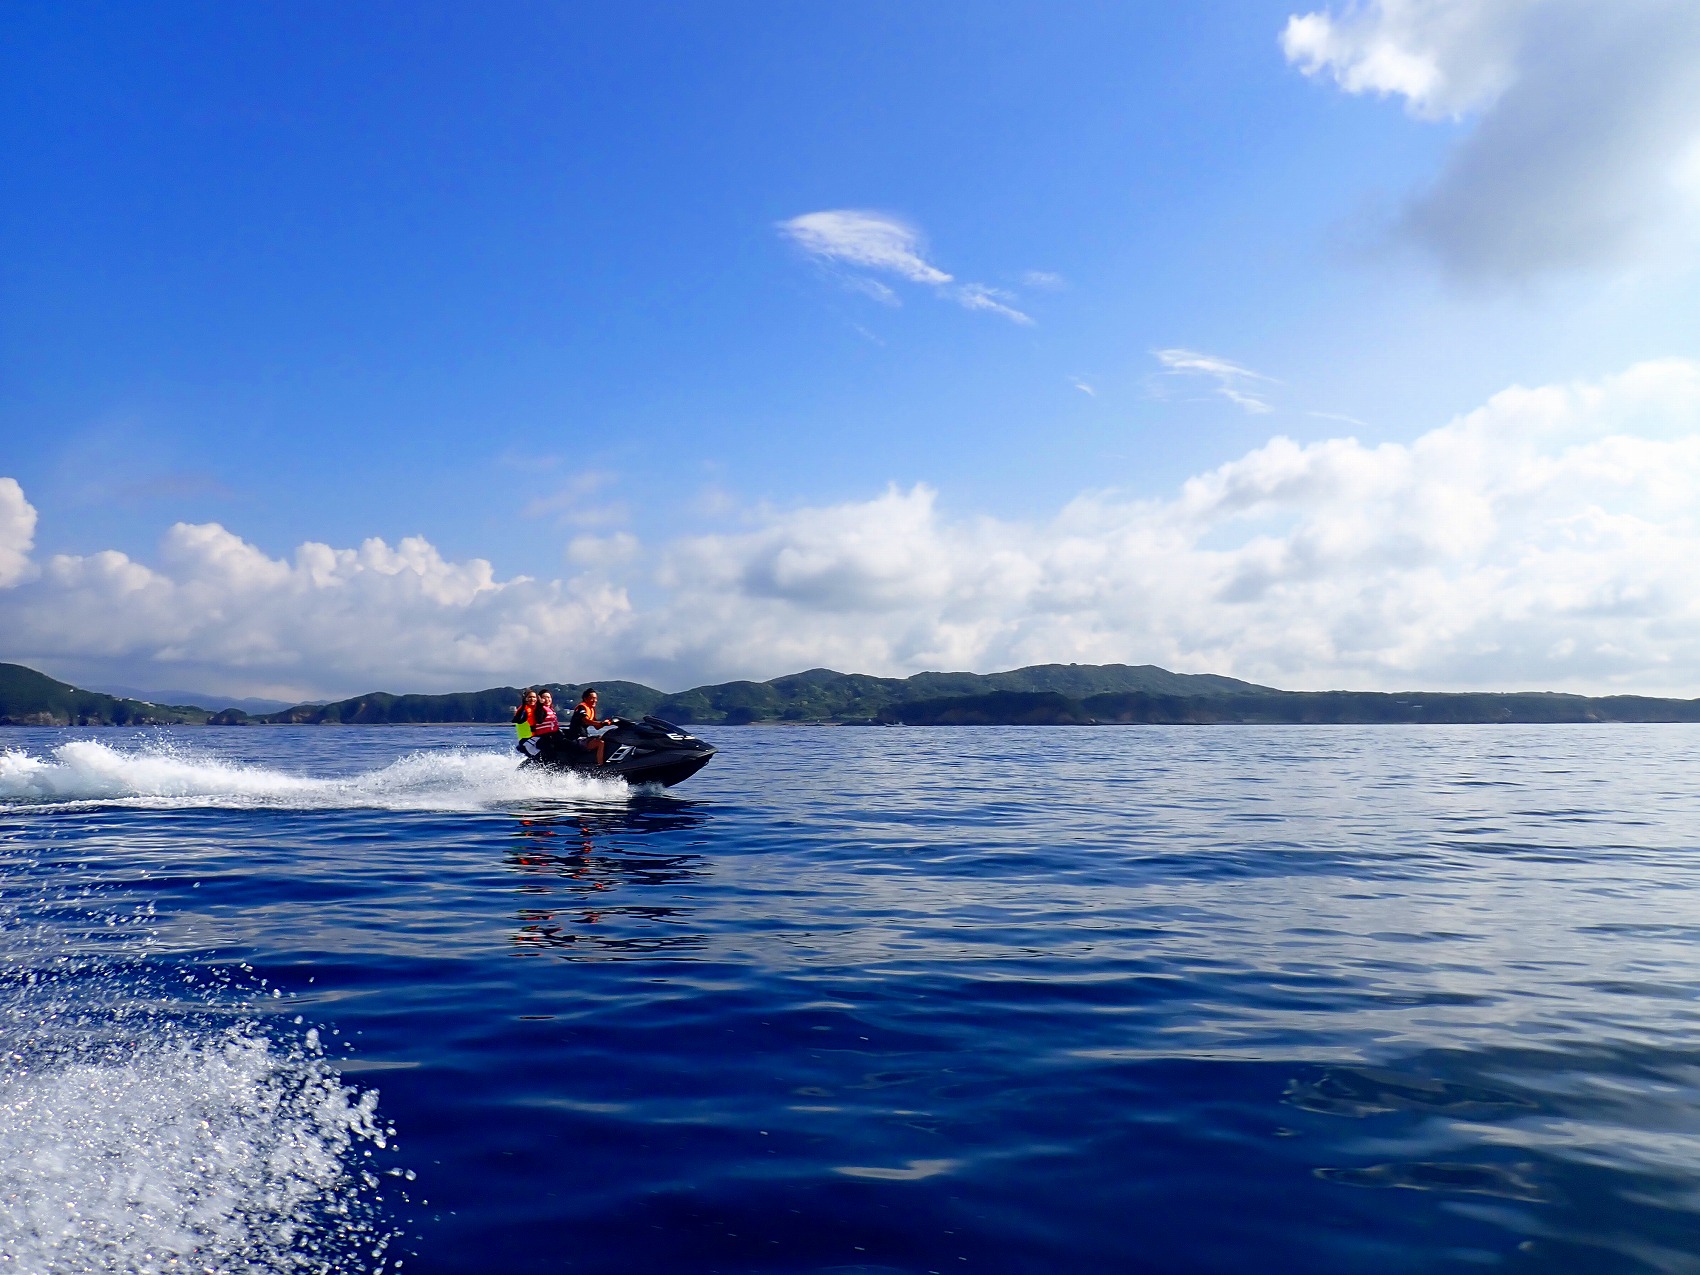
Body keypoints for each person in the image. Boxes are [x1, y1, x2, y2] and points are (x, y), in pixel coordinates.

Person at [566, 687, 611, 765]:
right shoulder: (582, 707)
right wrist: (601, 723)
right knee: (600, 743)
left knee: (604, 737)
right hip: (577, 739)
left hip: (584, 737)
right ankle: (600, 765)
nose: (595, 700)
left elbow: (597, 727)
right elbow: (585, 720)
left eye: (596, 698)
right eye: (592, 698)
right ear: (585, 698)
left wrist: (608, 722)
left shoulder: (591, 710)